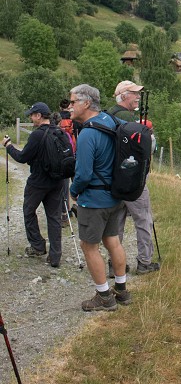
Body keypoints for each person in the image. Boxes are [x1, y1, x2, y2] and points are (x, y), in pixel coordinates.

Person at [67, 84, 131, 311]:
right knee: (113, 239)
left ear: (86, 103)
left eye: (73, 102)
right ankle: (122, 291)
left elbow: (83, 174)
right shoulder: (113, 122)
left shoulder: (87, 133)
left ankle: (104, 296)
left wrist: (73, 191)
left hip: (94, 200)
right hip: (115, 196)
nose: (69, 106)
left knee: (89, 246)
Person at [4, 102, 68, 268]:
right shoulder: (60, 132)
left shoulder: (37, 135)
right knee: (54, 217)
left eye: (32, 115)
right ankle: (55, 256)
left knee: (28, 211)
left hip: (38, 182)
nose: (31, 118)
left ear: (39, 115)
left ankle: (38, 246)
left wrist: (9, 146)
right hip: (57, 181)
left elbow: (22, 157)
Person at [108, 81, 158, 274]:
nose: (138, 97)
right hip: (134, 179)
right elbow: (147, 149)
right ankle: (145, 262)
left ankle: (115, 265)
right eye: (134, 94)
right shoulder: (130, 120)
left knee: (117, 223)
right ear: (123, 95)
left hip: (115, 179)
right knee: (143, 220)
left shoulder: (108, 115)